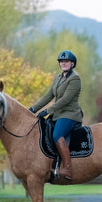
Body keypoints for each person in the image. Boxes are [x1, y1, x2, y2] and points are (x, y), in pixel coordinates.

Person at [29, 50, 83, 180]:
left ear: (72, 63)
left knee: (57, 135)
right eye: (62, 61)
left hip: (70, 114)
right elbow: (48, 96)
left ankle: (68, 169)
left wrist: (47, 111)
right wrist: (32, 109)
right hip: (58, 114)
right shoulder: (58, 78)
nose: (64, 63)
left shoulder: (75, 78)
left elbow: (65, 100)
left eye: (66, 61)